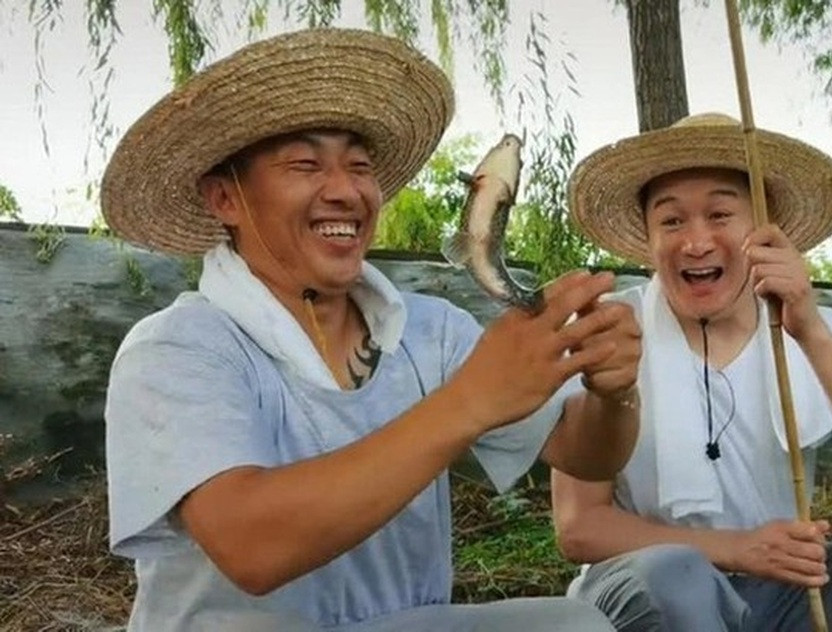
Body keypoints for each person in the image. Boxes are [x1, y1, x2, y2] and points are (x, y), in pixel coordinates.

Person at [101, 29, 642, 631]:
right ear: (225, 198)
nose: (345, 191)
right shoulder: (178, 348)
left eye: (359, 166)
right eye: (305, 164)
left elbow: (585, 455)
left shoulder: (429, 332)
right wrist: (471, 401)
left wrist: (612, 390)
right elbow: (251, 546)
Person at [551, 112, 832, 631]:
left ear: (764, 232)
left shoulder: (819, 329)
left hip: (788, 594)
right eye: (672, 221)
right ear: (649, 240)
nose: (695, 242)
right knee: (677, 575)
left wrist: (810, 330)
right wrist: (736, 549)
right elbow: (578, 527)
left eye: (720, 215)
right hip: (646, 590)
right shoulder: (611, 332)